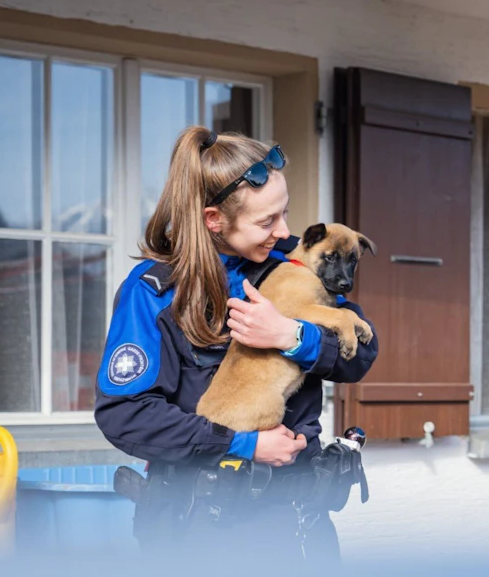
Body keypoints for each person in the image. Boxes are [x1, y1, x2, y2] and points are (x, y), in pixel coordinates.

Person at [94, 126, 377, 566]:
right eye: (267, 221)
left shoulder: (292, 261)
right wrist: (242, 444)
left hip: (299, 524)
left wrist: (291, 336)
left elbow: (359, 353)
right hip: (203, 528)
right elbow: (126, 415)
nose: (284, 231)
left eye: (284, 213)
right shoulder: (153, 292)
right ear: (214, 219)